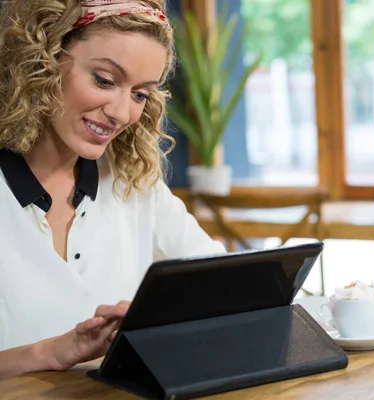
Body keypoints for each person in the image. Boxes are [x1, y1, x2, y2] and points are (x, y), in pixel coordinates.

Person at [0, 0, 225, 380]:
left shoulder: (134, 182)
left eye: (140, 94)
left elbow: (221, 282)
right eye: (104, 80)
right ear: (44, 60)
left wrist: (160, 317)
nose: (122, 114)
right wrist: (51, 352)